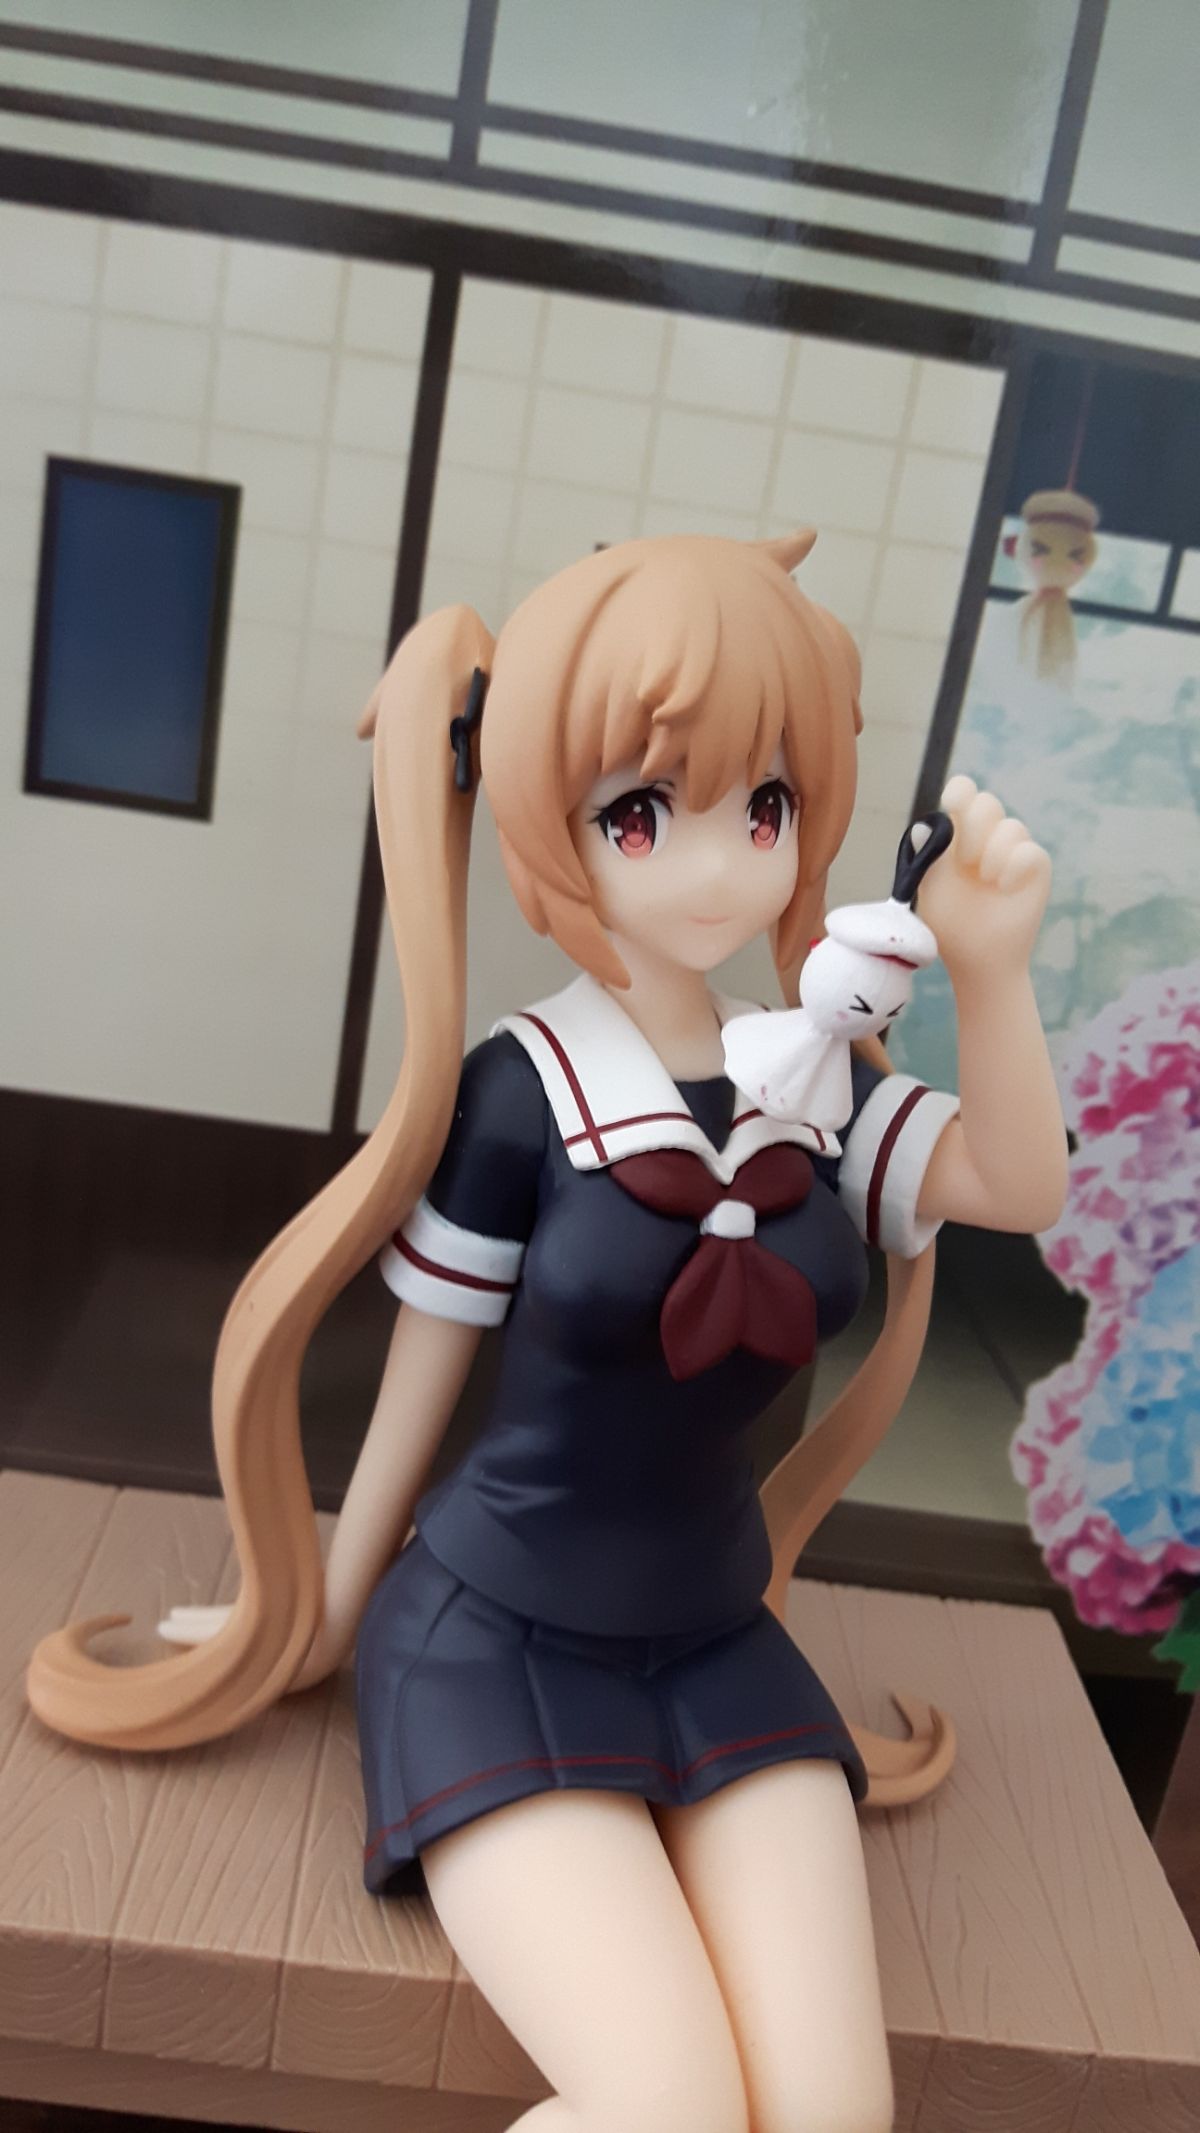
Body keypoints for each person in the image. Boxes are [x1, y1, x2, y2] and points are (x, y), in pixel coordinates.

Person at [28, 532, 1067, 2133]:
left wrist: (991, 974)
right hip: (496, 1636)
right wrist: (315, 1609)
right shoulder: (525, 1091)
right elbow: (419, 1385)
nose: (718, 865)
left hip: (719, 1636)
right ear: (551, 821)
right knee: (665, 2105)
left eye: (765, 807)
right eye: (642, 814)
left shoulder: (815, 1074)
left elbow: (1016, 1181)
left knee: (832, 2112)